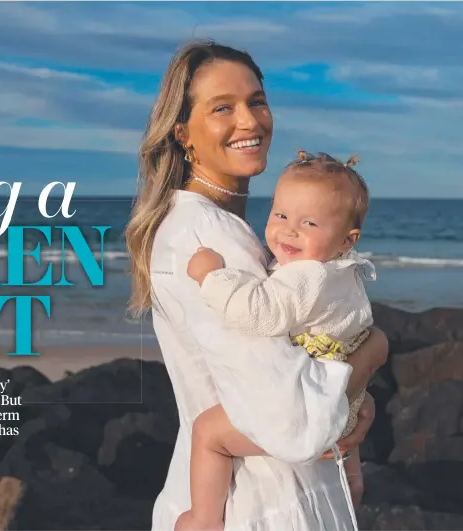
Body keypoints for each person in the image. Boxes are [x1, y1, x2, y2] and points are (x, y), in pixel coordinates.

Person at [124, 40, 388, 531]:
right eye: (222, 107)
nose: (249, 121)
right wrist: (372, 353)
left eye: (257, 101)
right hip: (255, 503)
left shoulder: (231, 233)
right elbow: (287, 410)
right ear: (182, 133)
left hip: (257, 488)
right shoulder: (209, 239)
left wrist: (356, 399)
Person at [182, 150, 377, 531]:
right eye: (281, 215)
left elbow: (260, 312)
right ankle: (353, 486)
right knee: (344, 448)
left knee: (208, 432)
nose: (289, 230)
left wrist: (211, 277)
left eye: (309, 222)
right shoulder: (344, 275)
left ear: (345, 240)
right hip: (341, 401)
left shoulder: (306, 276)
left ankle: (202, 518)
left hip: (308, 409)